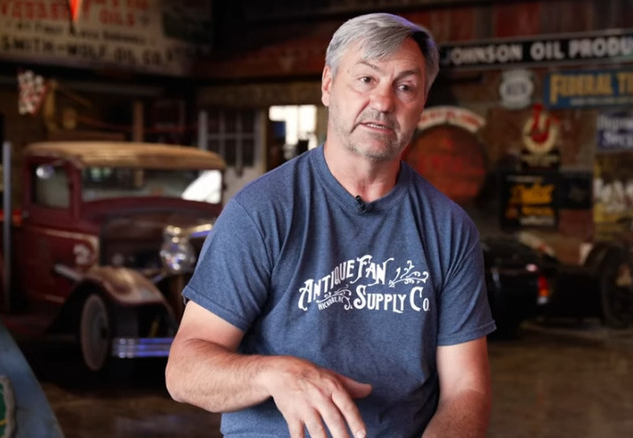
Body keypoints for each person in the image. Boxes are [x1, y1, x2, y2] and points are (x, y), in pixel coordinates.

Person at [165, 12, 496, 438]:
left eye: (405, 87)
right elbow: (185, 370)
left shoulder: (449, 229)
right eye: (366, 80)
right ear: (327, 85)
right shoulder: (262, 212)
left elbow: (466, 390)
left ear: (421, 105)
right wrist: (273, 375)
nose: (383, 102)